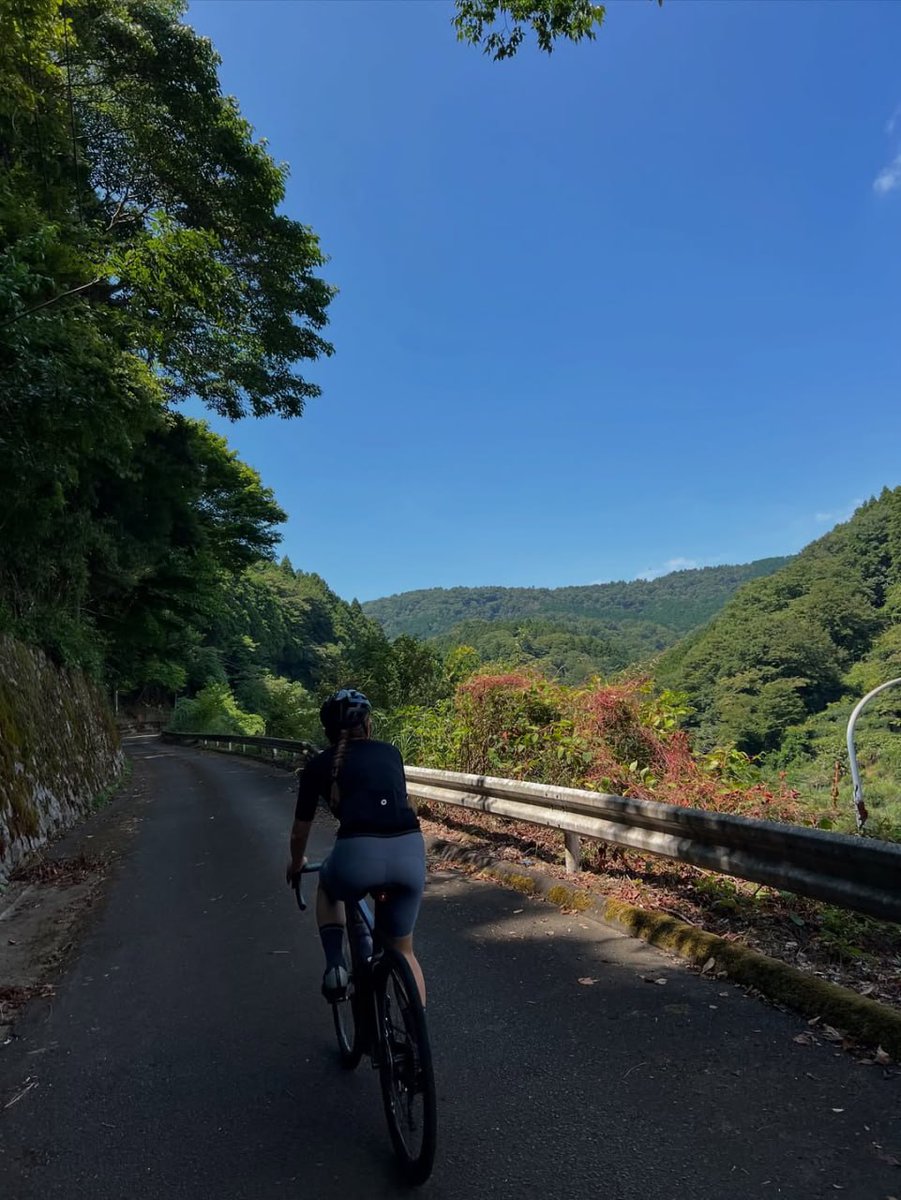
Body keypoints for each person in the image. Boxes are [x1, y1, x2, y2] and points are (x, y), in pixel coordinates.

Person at [286, 688, 427, 1004]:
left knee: (328, 888)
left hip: (356, 856)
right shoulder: (391, 753)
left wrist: (297, 863)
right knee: (403, 951)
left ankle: (336, 965)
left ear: (328, 732)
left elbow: (299, 833)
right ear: (369, 724)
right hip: (410, 851)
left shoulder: (318, 767)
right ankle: (419, 1045)